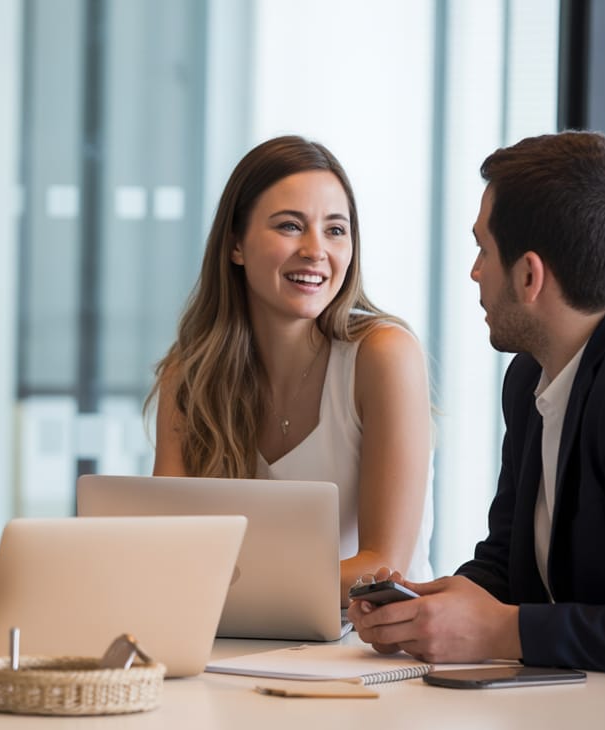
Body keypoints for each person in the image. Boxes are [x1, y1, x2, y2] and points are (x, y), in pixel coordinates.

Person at [349, 131, 605, 699]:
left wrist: (497, 631)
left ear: (529, 276)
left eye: (483, 250)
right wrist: (427, 613)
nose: (474, 272)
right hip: (583, 713)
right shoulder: (532, 373)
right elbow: (508, 565)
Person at [149, 136, 434, 593]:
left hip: (367, 633)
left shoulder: (383, 355)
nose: (315, 250)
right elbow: (167, 549)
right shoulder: (189, 376)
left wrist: (226, 584)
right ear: (236, 245)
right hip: (236, 631)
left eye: (335, 230)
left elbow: (384, 567)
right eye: (290, 226)